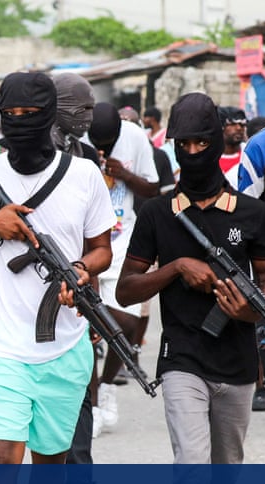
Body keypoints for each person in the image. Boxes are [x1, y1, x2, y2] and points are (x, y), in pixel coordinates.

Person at [115, 92, 265, 484]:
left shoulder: (253, 213)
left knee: (225, 474)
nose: (194, 152)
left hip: (238, 361)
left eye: (203, 143)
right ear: (174, 146)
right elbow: (127, 288)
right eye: (185, 145)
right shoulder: (159, 213)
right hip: (182, 356)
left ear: (219, 142)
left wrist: (247, 310)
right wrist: (176, 267)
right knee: (190, 470)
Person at [0, 70, 114, 465]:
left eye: (29, 113)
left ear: (49, 115)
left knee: (50, 470)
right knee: (1, 463)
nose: (19, 122)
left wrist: (81, 269)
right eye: (10, 114)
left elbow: (102, 250)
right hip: (1, 347)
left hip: (64, 348)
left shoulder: (84, 175)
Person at [84, 102, 159, 430]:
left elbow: (153, 189)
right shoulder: (79, 138)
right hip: (85, 244)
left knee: (127, 324)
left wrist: (125, 174)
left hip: (122, 239)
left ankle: (107, 385)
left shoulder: (135, 136)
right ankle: (91, 404)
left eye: (107, 143)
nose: (101, 148)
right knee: (86, 326)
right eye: (97, 143)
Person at [218, 106, 248, 186]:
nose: (239, 128)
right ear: (221, 126)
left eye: (242, 124)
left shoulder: (250, 154)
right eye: (233, 124)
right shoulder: (208, 156)